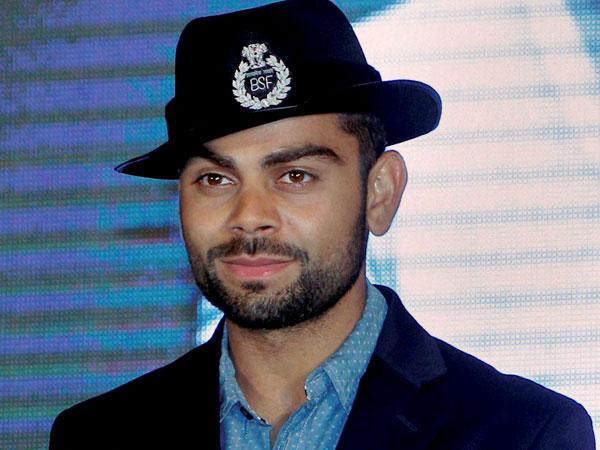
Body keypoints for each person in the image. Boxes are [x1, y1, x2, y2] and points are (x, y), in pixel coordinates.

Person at [49, 0, 595, 448]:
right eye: (215, 179)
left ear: (379, 193)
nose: (250, 215)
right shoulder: (98, 436)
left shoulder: (522, 434)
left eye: (295, 175)